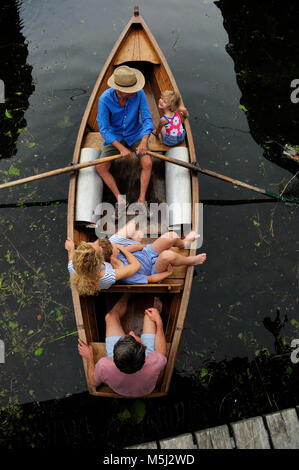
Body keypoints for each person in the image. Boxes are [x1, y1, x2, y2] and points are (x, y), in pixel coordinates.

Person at [77, 294, 167, 397]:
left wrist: (89, 358)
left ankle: (127, 294)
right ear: (144, 353)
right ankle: (155, 310)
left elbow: (93, 382)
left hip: (121, 384)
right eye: (133, 337)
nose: (131, 332)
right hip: (146, 390)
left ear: (114, 356)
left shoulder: (104, 366)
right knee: (150, 316)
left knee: (110, 317)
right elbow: (162, 352)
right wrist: (159, 321)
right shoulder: (154, 361)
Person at [96, 65, 154, 217]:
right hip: (114, 138)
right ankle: (120, 200)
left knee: (148, 163)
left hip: (135, 133)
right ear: (120, 91)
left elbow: (147, 119)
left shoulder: (139, 94)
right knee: (101, 167)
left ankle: (141, 201)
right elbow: (104, 129)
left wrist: (143, 141)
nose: (136, 91)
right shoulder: (105, 100)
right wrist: (120, 148)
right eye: (132, 90)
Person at [65, 237, 141, 296]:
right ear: (100, 260)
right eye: (99, 247)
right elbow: (136, 265)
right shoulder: (108, 275)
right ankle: (138, 244)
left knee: (124, 244)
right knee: (120, 244)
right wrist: (122, 248)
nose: (98, 244)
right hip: (115, 267)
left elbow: (71, 258)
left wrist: (71, 249)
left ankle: (137, 243)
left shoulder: (72, 266)